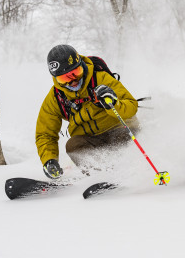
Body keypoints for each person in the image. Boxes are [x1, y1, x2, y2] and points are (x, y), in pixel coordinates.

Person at [35, 44, 139, 179]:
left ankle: (129, 170)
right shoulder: (56, 97)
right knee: (73, 146)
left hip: (118, 129)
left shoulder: (100, 78)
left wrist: (114, 103)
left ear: (81, 65)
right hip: (90, 139)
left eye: (75, 73)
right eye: (64, 78)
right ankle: (100, 176)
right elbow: (45, 133)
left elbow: (131, 106)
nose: (72, 81)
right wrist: (49, 160)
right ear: (56, 79)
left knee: (121, 137)